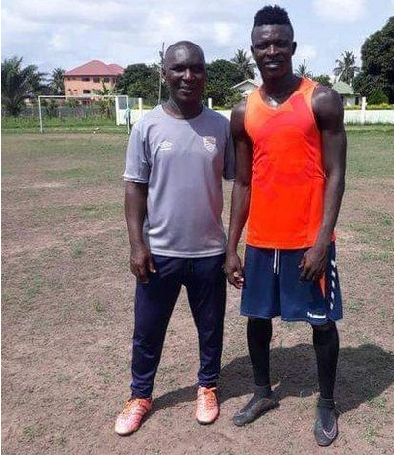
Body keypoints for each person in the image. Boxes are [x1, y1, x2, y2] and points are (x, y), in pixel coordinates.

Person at [224, 5, 346, 447]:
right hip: (262, 241)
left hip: (307, 241)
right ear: (253, 51)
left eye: (279, 43)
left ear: (292, 47)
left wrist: (321, 241)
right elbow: (243, 181)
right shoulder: (243, 112)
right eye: (262, 44)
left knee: (322, 324)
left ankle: (328, 403)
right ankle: (261, 392)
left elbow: (336, 175)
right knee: (257, 319)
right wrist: (231, 245)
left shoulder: (321, 99)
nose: (271, 50)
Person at [114, 41, 235, 436]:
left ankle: (207, 386)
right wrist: (137, 244)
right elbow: (134, 188)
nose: (188, 76)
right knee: (147, 330)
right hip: (159, 253)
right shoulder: (146, 126)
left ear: (205, 73)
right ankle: (140, 395)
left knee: (211, 327)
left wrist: (233, 245)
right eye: (179, 69)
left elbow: (241, 181)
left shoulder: (220, 126)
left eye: (196, 68)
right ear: (164, 73)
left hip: (209, 253)